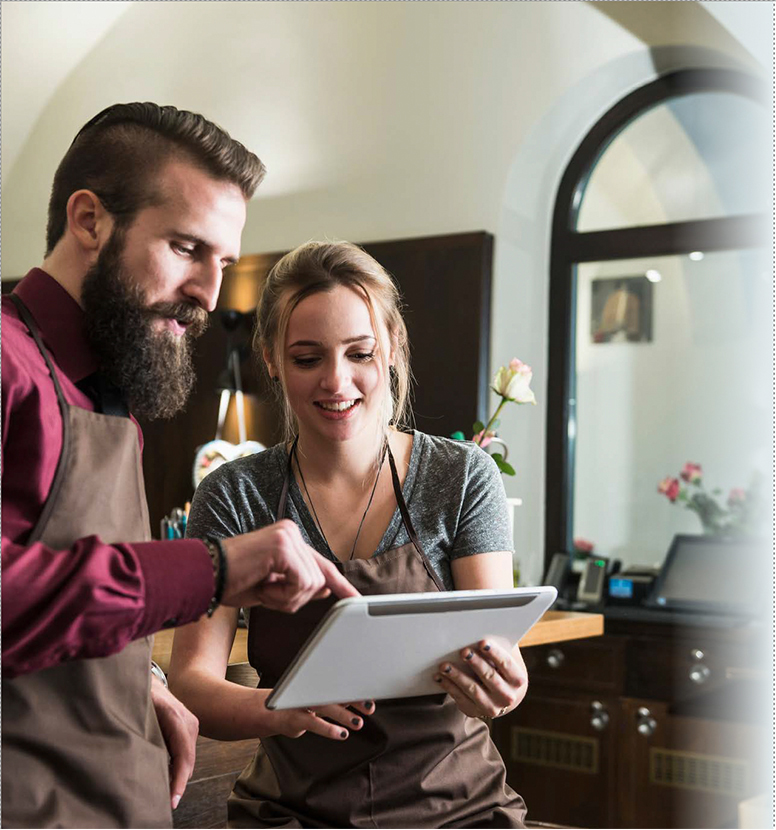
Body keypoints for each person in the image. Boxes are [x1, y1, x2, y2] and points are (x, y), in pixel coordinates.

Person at [1, 104, 357, 830]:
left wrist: (142, 677)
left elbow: (72, 596)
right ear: (89, 219)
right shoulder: (8, 365)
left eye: (221, 261)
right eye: (187, 248)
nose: (209, 293)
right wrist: (215, 570)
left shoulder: (107, 394)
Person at [169, 241, 530, 828]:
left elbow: (497, 655)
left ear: (391, 347)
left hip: (459, 812)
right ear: (271, 359)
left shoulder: (462, 478)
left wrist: (502, 686)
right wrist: (282, 710)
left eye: (359, 353)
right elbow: (192, 682)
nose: (337, 382)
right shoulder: (235, 493)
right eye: (307, 358)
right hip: (292, 813)